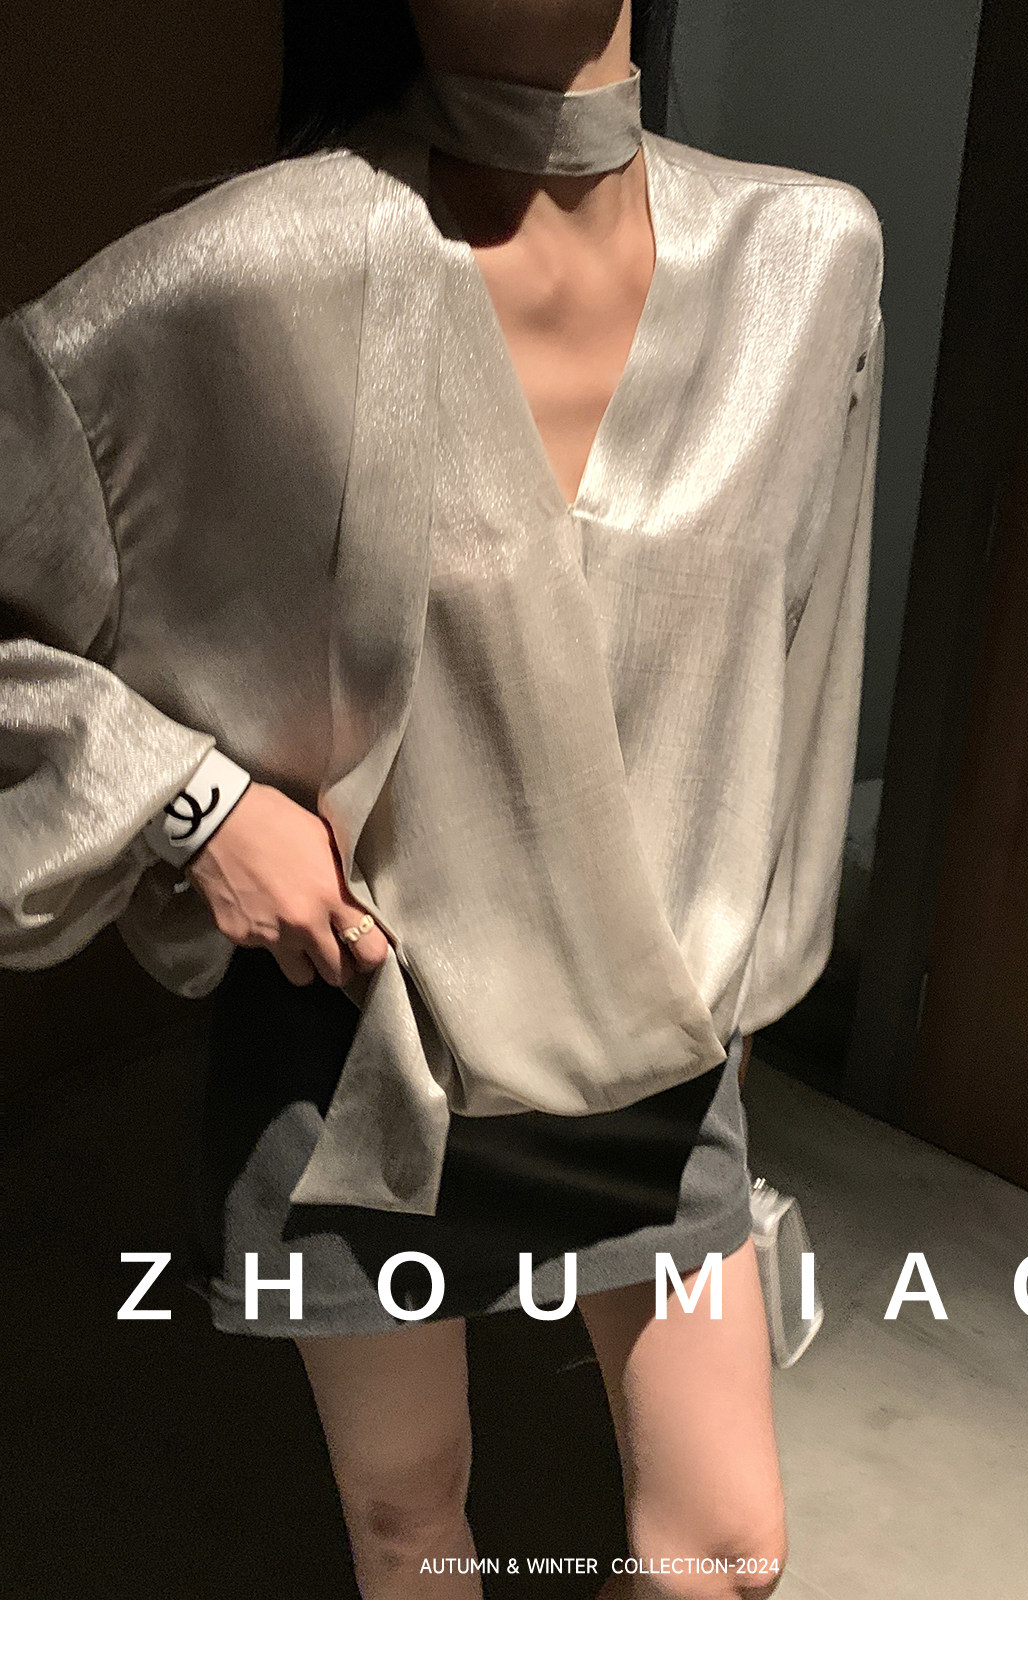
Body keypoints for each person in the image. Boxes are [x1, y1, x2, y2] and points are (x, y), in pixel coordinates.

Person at [0, 0, 883, 1601]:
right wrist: (192, 805)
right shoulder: (237, 276)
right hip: (364, 1051)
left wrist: (746, 980)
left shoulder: (805, 261)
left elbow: (795, 672)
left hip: (657, 1051)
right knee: (412, 1529)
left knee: (726, 1549)